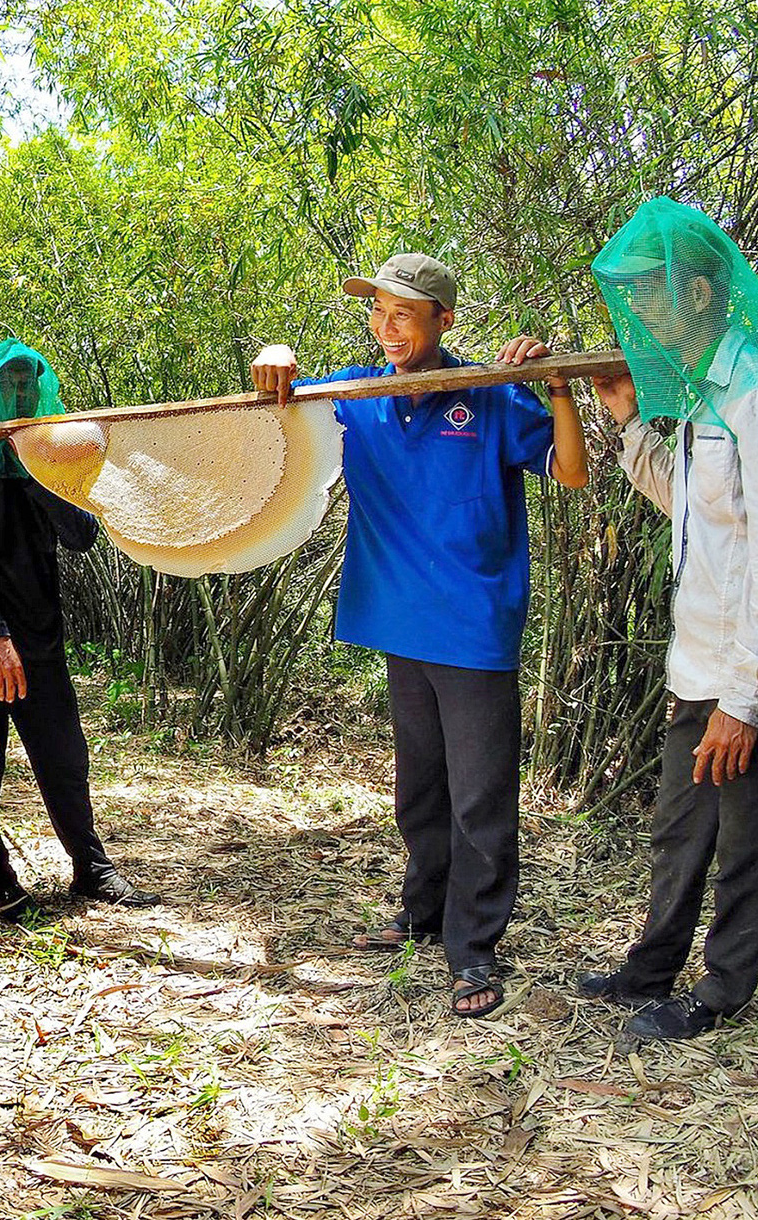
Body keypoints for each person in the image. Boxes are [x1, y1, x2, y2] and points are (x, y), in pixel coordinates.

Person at [251, 252, 588, 1019]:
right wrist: (274, 360)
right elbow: (278, 413)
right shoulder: (358, 396)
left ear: (444, 320)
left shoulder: (488, 392)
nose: (388, 327)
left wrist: (558, 385)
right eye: (378, 312)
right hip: (402, 621)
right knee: (421, 788)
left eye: (405, 313)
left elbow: (570, 472)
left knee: (480, 799)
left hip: (474, 626)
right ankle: (422, 912)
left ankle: (475, 947)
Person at [574, 198, 758, 1040]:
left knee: (747, 843)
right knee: (680, 831)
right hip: (697, 661)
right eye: (633, 294)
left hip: (755, 675)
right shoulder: (703, 394)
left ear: (704, 291)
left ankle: (721, 993)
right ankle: (650, 967)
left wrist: (748, 698)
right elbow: (691, 509)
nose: (640, 311)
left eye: (653, 292)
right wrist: (628, 419)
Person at [0, 339, 161, 914]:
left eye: (27, 385)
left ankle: (93, 869)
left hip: (41, 637)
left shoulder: (49, 457)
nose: (19, 394)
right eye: (7, 384)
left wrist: (37, 466)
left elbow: (83, 534)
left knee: (65, 757)